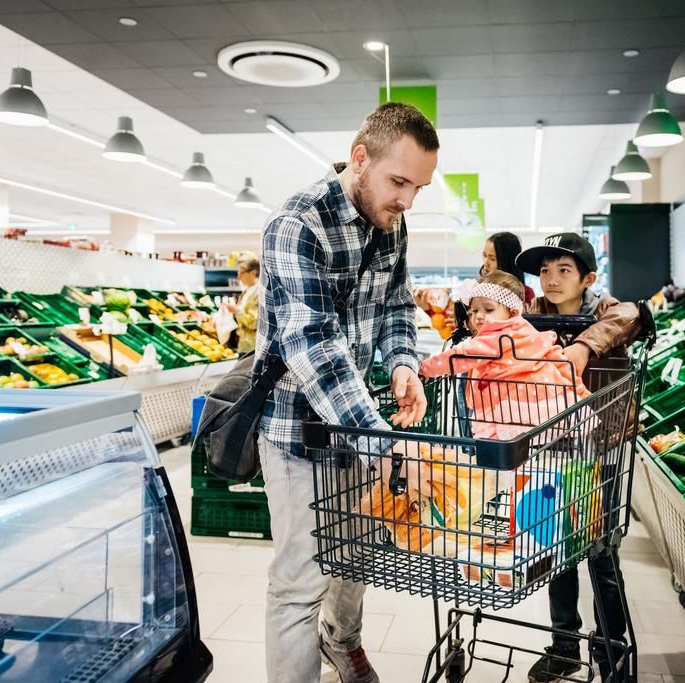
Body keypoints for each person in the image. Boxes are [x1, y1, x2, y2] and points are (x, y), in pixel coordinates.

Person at [255, 102, 439, 683]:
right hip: (296, 431)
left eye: (418, 187)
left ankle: (342, 642)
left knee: (355, 556)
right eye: (399, 181)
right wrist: (384, 445)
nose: (407, 200)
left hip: (357, 427)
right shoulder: (296, 226)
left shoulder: (391, 224)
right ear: (360, 160)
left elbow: (394, 307)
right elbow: (314, 348)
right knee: (299, 583)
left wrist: (403, 362)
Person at [515, 232, 641, 683]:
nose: (551, 278)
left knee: (601, 557)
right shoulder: (533, 321)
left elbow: (633, 314)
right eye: (545, 270)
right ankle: (564, 645)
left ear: (587, 277)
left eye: (564, 270)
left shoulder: (608, 311)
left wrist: (584, 346)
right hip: (553, 452)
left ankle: (612, 653)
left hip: (601, 455)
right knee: (557, 552)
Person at [418, 270, 589, 440]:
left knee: (495, 458)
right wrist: (579, 391)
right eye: (474, 311)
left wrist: (424, 369)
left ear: (513, 313)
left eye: (489, 309)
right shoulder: (527, 330)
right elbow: (558, 358)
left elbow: (459, 356)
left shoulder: (496, 338)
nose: (479, 316)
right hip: (545, 406)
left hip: (507, 410)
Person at [224, 257, 260, 353]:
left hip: (253, 347)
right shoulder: (246, 292)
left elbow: (255, 322)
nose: (238, 277)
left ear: (253, 273)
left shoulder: (259, 293)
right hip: (244, 345)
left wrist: (236, 311)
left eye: (241, 273)